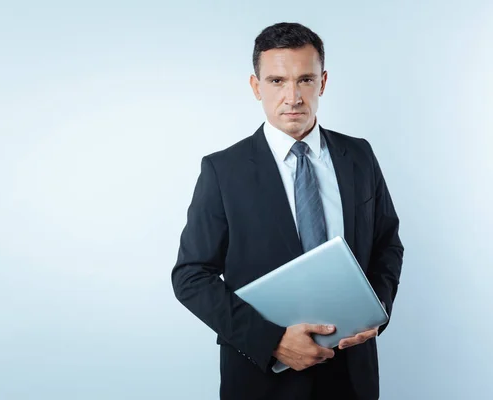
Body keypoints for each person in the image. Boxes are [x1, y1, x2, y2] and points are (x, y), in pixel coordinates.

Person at [171, 22, 403, 400]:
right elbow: (191, 276)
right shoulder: (223, 170)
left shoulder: (359, 156)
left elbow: (388, 245)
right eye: (277, 81)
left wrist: (375, 311)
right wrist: (273, 341)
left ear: (323, 82)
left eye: (305, 80)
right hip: (263, 378)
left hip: (352, 374)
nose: (292, 97)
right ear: (255, 86)